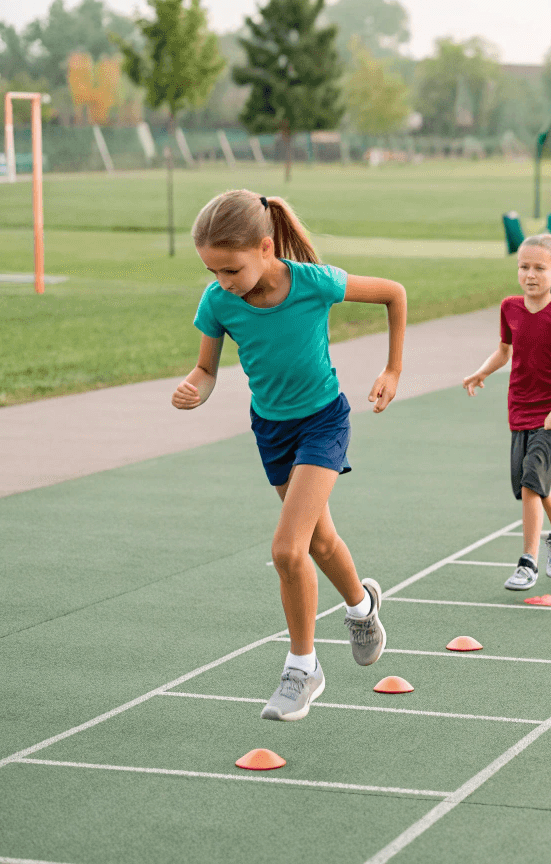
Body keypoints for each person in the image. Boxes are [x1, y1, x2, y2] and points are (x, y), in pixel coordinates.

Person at [172, 189, 406, 721]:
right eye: (213, 270)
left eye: (231, 269)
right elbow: (206, 369)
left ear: (265, 246)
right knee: (319, 538)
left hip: (323, 422)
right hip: (271, 430)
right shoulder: (217, 300)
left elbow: (394, 292)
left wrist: (392, 369)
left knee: (286, 550)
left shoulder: (312, 283)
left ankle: (303, 667)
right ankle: (363, 606)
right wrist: (193, 388)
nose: (223, 281)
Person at [463, 234, 551, 591]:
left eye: (539, 268)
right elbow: (504, 351)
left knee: (531, 481)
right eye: (524, 267)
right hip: (520, 407)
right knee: (529, 483)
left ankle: (527, 562)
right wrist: (482, 371)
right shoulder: (510, 308)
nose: (530, 275)